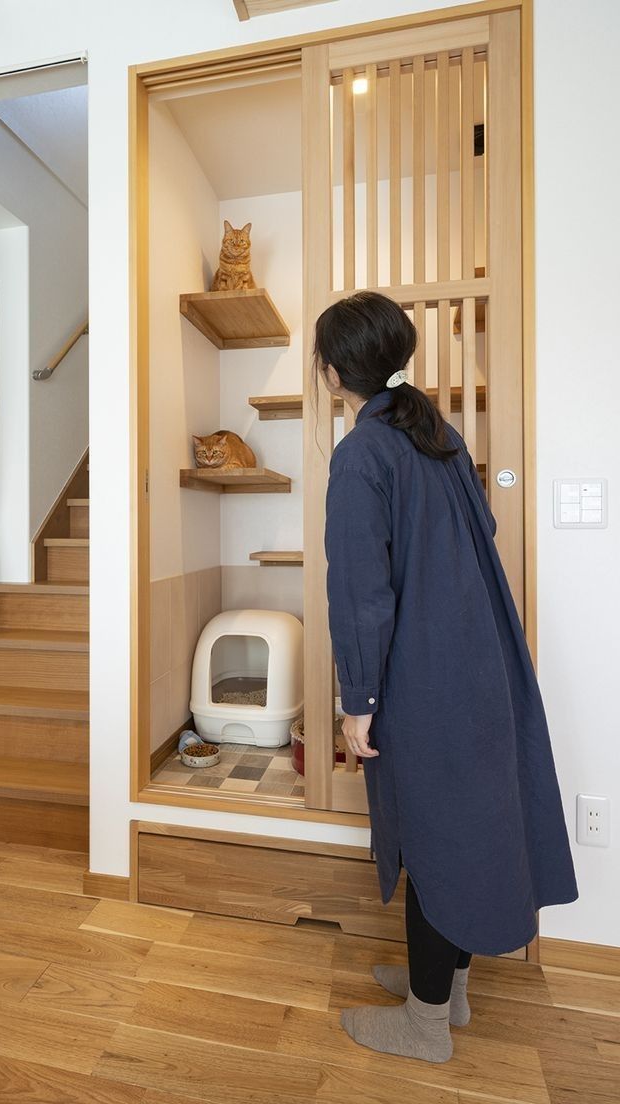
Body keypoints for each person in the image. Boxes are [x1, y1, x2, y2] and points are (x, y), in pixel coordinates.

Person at [316, 291, 578, 1064]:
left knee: (433, 837)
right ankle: (448, 992)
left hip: (425, 674)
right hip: (482, 662)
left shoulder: (362, 452)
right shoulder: (438, 435)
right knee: (462, 828)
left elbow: (361, 589)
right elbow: (481, 533)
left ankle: (424, 1026)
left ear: (333, 374)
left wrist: (356, 701)